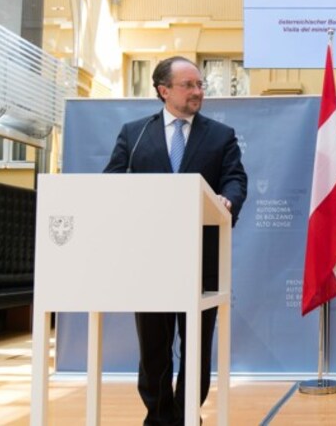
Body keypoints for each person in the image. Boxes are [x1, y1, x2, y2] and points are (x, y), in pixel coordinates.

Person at [104, 56, 247, 425]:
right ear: (163, 90)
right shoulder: (134, 134)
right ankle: (159, 415)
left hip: (202, 259)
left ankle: (187, 416)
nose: (199, 91)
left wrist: (228, 200)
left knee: (196, 346)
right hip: (149, 258)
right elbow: (111, 183)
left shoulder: (220, 136)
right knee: (153, 346)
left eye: (200, 85)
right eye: (189, 85)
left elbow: (235, 179)